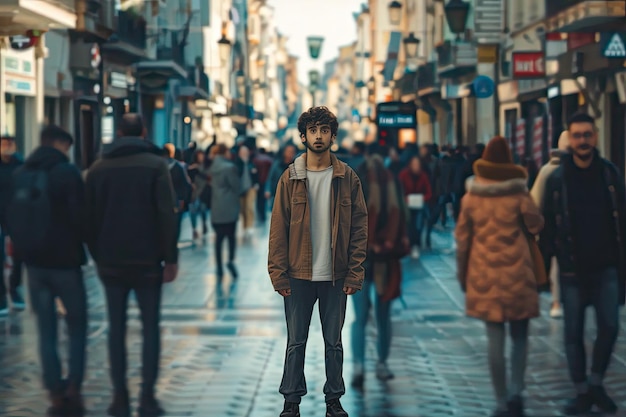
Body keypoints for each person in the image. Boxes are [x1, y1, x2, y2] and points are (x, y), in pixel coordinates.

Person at [268, 106, 368, 417]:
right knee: (296, 342)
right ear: (303, 136)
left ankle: (334, 400)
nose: (319, 136)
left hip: (336, 276)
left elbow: (359, 227)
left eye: (325, 130)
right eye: (313, 130)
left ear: (333, 136)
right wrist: (278, 274)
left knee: (333, 343)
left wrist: (355, 272)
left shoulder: (347, 177)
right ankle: (291, 401)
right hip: (298, 274)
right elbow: (278, 228)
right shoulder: (291, 178)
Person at [85, 113, 179, 417]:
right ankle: (148, 398)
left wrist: (98, 254)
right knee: (150, 328)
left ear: (119, 133)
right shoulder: (155, 165)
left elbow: (88, 218)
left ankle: (119, 397)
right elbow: (167, 214)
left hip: (111, 261)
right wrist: (171, 257)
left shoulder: (98, 168)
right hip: (148, 261)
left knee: (116, 329)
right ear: (142, 132)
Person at [540, 112, 625, 416]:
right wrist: (543, 268)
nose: (583, 141)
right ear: (569, 140)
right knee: (572, 334)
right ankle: (581, 391)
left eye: (587, 135)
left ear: (595, 136)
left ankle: (596, 383)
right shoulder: (557, 181)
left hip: (607, 268)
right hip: (572, 270)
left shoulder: (611, 175)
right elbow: (547, 227)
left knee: (611, 326)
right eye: (577, 136)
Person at [455, 136, 544, 417]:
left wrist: (462, 275)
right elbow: (535, 223)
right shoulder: (519, 194)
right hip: (517, 273)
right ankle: (517, 390)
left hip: (484, 275)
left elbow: (462, 241)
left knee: (494, 339)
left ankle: (501, 399)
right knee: (520, 335)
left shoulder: (471, 197)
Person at [8, 126, 87, 415]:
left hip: (35, 266)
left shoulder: (21, 174)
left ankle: (54, 390)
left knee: (46, 329)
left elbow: (11, 216)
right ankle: (74, 385)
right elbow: (81, 218)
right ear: (62, 144)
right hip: (66, 264)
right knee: (77, 326)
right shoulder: (67, 173)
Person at [350, 148, 408, 389]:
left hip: (361, 260)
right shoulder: (393, 184)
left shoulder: (355, 186)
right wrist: (391, 241)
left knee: (361, 317)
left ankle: (359, 366)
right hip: (384, 258)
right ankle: (379, 364)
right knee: (382, 316)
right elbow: (403, 218)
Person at [530, 131, 569, 319]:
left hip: (556, 227)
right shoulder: (549, 171)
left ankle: (557, 302)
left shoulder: (547, 170)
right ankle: (556, 301)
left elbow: (534, 200)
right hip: (556, 228)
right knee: (556, 265)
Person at [0, 135, 25, 314]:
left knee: (18, 255)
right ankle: (1, 296)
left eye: (10, 143)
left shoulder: (20, 165)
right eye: (4, 144)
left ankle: (15, 289)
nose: (7, 147)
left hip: (16, 215)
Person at [208, 144, 241, 279]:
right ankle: (230, 261)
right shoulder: (229, 168)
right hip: (229, 208)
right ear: (225, 152)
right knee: (231, 236)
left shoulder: (211, 168)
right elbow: (236, 186)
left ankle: (219, 267)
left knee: (218, 239)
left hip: (216, 207)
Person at [398, 155, 432, 259]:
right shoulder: (403, 175)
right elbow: (399, 190)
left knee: (418, 225)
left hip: (419, 205)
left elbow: (429, 192)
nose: (416, 166)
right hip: (407, 205)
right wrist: (405, 199)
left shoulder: (423, 176)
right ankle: (409, 245)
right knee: (409, 225)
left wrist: (423, 198)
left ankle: (415, 245)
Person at [234, 145, 259, 237]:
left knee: (249, 207)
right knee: (242, 208)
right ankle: (244, 226)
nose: (244, 153)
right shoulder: (237, 163)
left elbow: (255, 174)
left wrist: (256, 183)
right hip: (240, 188)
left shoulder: (251, 163)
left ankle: (249, 226)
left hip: (250, 187)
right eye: (242, 152)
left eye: (246, 151)